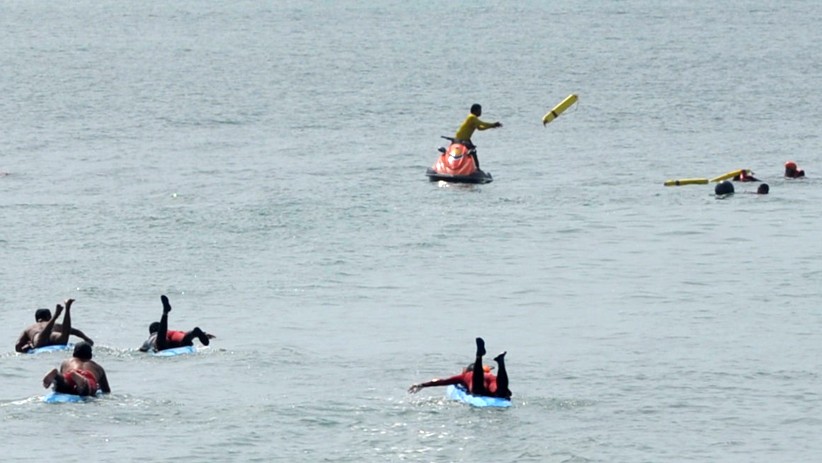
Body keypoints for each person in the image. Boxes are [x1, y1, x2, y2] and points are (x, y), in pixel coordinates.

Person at [408, 337, 511, 399]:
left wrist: (422, 385)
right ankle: (501, 363)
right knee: (501, 390)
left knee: (478, 389)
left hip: (478, 385)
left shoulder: (465, 376)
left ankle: (479, 356)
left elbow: (442, 381)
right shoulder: (489, 374)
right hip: (493, 381)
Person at [139, 295, 215, 352]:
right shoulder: (170, 332)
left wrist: (140, 350)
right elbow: (183, 333)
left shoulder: (152, 337)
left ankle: (165, 313)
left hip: (162, 339)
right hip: (175, 334)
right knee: (185, 341)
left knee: (161, 344)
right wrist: (204, 334)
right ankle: (194, 333)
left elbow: (143, 349)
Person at [15, 299, 94, 353]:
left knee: (42, 335)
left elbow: (17, 345)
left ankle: (56, 316)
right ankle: (67, 309)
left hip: (39, 338)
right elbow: (75, 331)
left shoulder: (30, 328)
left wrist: (26, 348)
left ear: (36, 319)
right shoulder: (57, 325)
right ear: (48, 317)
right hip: (55, 336)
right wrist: (87, 339)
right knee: (65, 333)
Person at [42, 341, 110, 396]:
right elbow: (106, 391)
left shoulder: (66, 362)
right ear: (90, 356)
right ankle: (83, 383)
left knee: (62, 384)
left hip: (70, 374)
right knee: (87, 390)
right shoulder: (97, 367)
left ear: (74, 354)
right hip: (86, 376)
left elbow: (64, 376)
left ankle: (56, 375)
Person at [453, 104, 502, 170]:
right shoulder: (472, 117)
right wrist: (493, 124)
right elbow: (482, 123)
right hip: (462, 139)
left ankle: (470, 167)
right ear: (475, 111)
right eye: (480, 110)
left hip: (464, 139)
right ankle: (477, 168)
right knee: (472, 152)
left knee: (471, 152)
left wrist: (492, 126)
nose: (481, 112)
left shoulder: (473, 119)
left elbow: (480, 128)